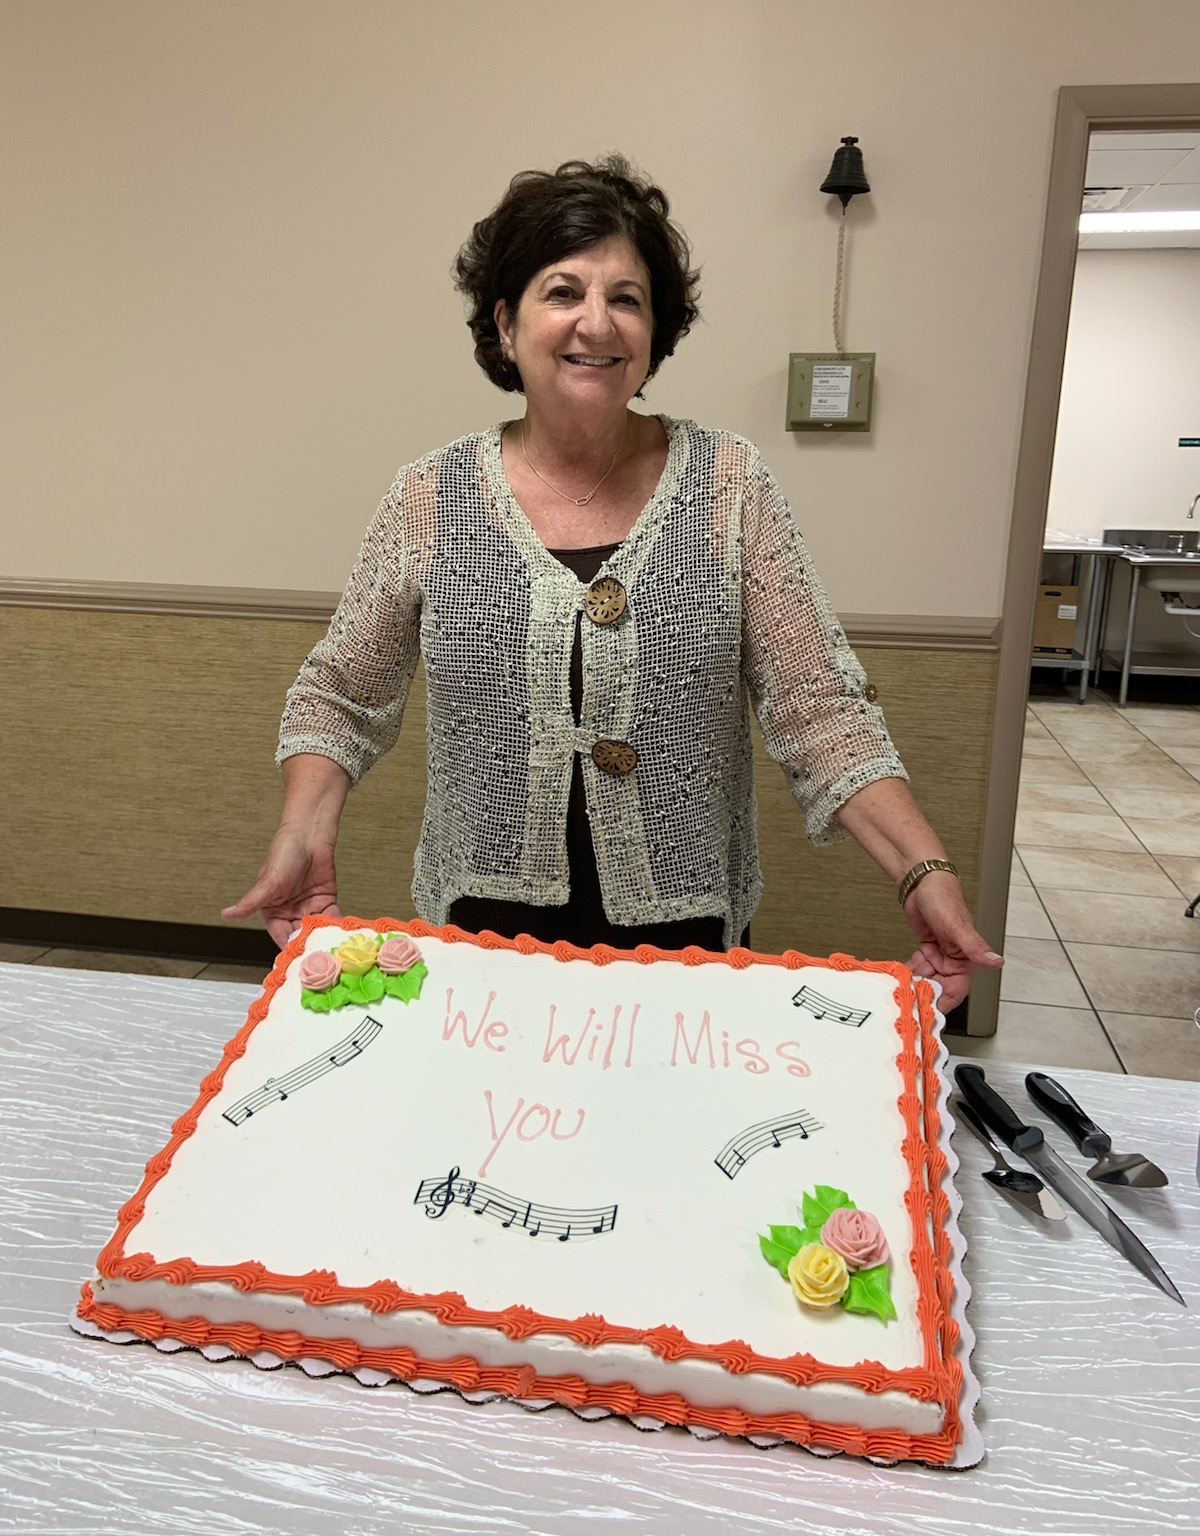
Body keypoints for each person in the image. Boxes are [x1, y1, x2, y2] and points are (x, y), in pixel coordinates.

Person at [223, 156, 1001, 1010]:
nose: (597, 322)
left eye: (626, 298)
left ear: (654, 332)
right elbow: (339, 696)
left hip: (686, 939)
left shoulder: (729, 483)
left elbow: (819, 707)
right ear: (506, 323)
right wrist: (303, 829)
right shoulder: (431, 495)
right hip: (484, 933)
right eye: (563, 291)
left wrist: (920, 868)